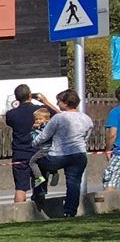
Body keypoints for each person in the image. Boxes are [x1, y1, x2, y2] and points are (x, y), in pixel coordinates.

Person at [31, 88, 94, 218]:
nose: (57, 103)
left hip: (59, 155)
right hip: (79, 154)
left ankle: (40, 191)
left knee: (36, 162)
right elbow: (86, 137)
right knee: (74, 183)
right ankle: (70, 211)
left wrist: (34, 142)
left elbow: (45, 135)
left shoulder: (59, 118)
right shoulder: (86, 119)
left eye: (58, 101)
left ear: (65, 103)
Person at [3, 84, 45, 204]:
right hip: (37, 153)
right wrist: (44, 101)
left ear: (16, 98)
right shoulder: (39, 111)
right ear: (30, 95)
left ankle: (18, 214)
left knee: (20, 188)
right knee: (39, 184)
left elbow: (10, 122)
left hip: (20, 153)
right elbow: (56, 114)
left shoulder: (11, 114)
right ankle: (40, 209)